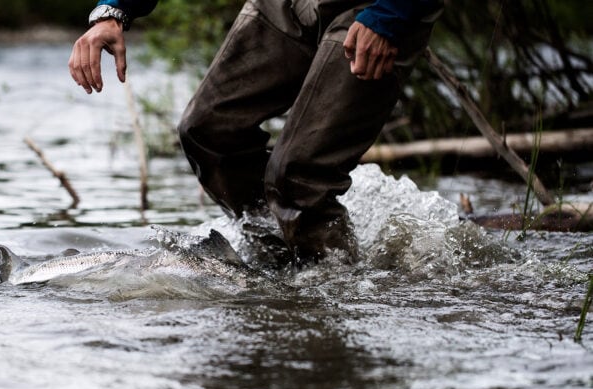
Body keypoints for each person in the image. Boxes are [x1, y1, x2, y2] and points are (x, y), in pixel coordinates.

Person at [70, 0, 443, 265]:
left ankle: (333, 287)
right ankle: (277, 261)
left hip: (375, 9)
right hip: (286, 4)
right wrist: (112, 11)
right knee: (207, 131)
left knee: (298, 173)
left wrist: (395, 12)